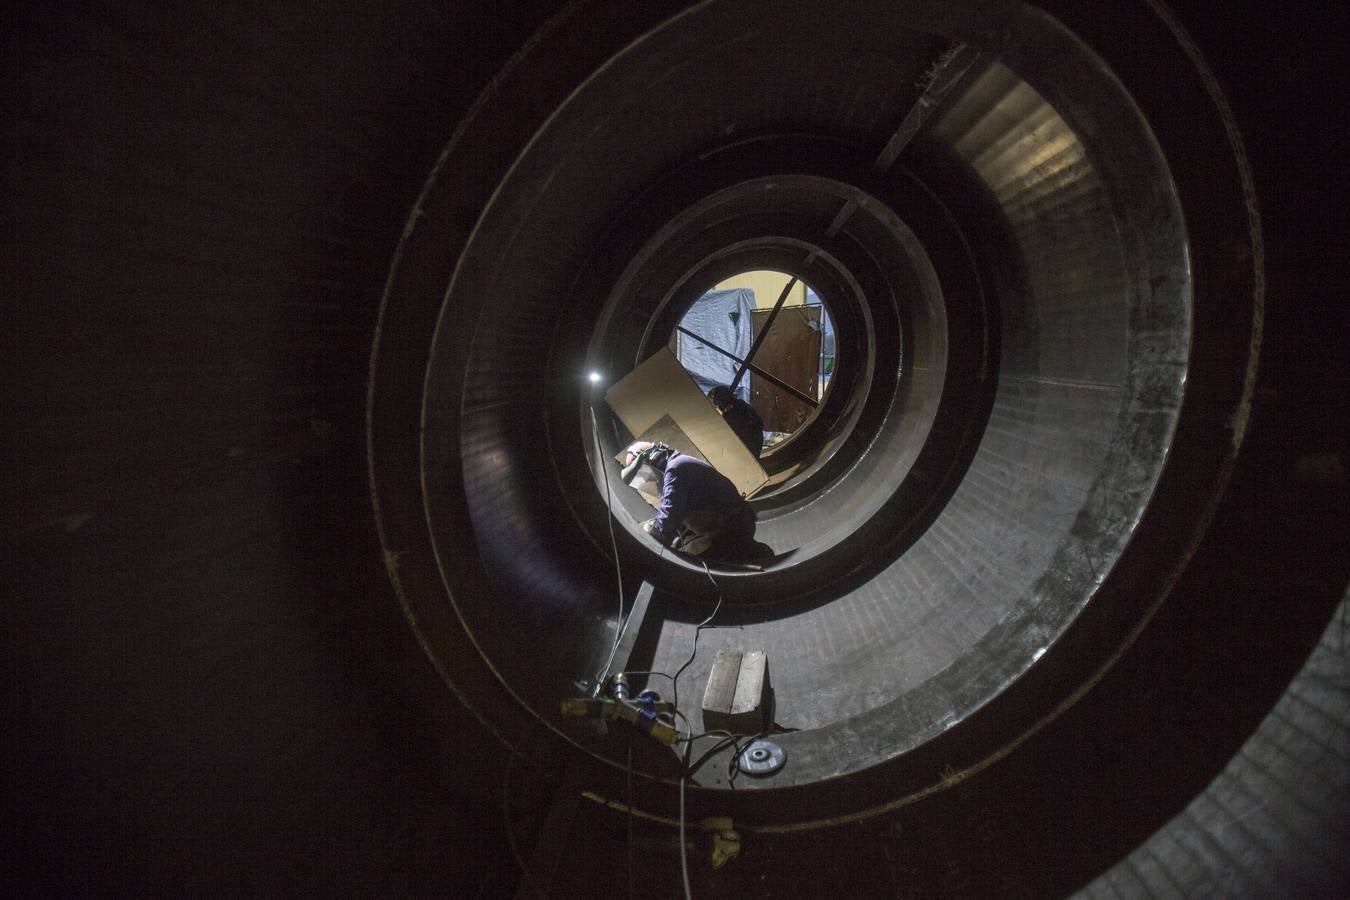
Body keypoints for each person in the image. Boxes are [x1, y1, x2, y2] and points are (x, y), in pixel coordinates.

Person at [621, 441, 769, 560]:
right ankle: (751, 551)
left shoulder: (676, 468)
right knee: (679, 542)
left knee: (682, 562)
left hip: (731, 526)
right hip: (732, 522)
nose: (648, 478)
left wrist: (646, 533)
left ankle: (751, 553)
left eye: (644, 472)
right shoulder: (677, 465)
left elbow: (669, 516)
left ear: (654, 458)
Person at [707, 384, 764, 457]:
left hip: (745, 454)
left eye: (715, 404)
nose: (716, 407)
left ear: (718, 401)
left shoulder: (731, 415)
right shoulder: (741, 404)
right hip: (755, 448)